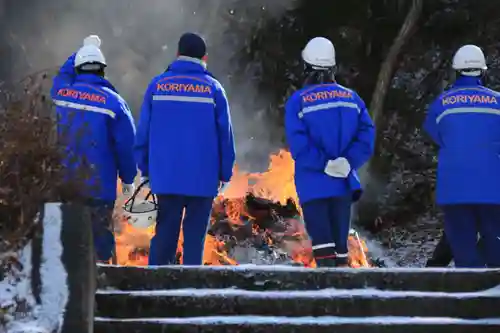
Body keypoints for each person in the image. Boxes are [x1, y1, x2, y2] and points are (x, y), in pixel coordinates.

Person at [135, 32, 236, 266]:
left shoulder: (157, 85)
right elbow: (225, 137)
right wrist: (225, 174)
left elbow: (143, 133)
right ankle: (193, 289)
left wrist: (145, 169)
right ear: (205, 58)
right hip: (203, 179)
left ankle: (156, 289)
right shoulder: (213, 89)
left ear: (178, 54)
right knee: (194, 240)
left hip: (166, 176)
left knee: (164, 236)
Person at [284, 37, 375, 267]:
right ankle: (344, 298)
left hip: (313, 184)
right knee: (341, 250)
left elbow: (299, 145)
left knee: (324, 250)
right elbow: (367, 135)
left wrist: (324, 164)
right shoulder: (352, 99)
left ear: (306, 67)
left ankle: (328, 296)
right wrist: (348, 161)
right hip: (343, 184)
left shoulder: (298, 102)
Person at [51, 35, 137, 263]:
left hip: (66, 185)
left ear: (78, 69)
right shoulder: (115, 104)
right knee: (99, 245)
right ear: (103, 70)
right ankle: (102, 289)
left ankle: (70, 292)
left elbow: (63, 73)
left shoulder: (61, 94)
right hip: (100, 190)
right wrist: (129, 180)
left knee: (68, 244)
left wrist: (85, 48)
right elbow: (126, 147)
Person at [423, 44, 500, 268]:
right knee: (496, 246)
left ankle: (467, 291)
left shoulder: (442, 103)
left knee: (463, 249)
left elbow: (435, 135)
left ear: (456, 71)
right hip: (492, 188)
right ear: (483, 72)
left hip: (454, 187)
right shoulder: (498, 102)